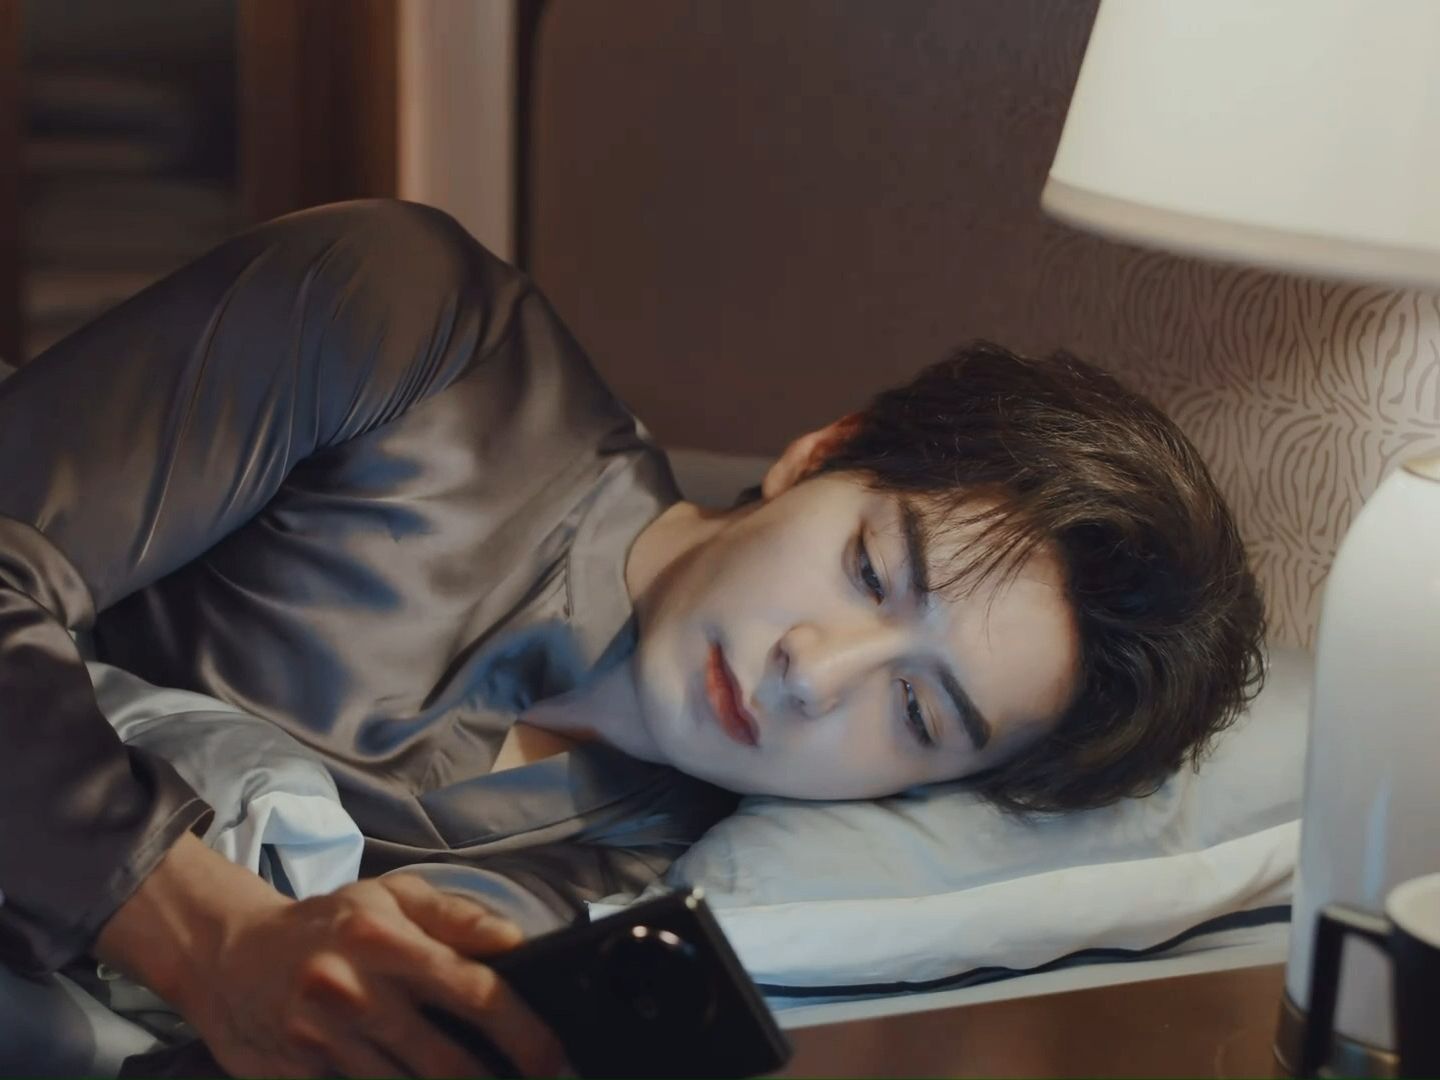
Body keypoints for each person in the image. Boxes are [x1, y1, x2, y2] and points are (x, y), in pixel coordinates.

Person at [0, 200, 1265, 1077]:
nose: (814, 673)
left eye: (918, 713)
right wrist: (207, 933)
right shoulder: (418, 334)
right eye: (873, 569)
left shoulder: (629, 909)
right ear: (820, 453)